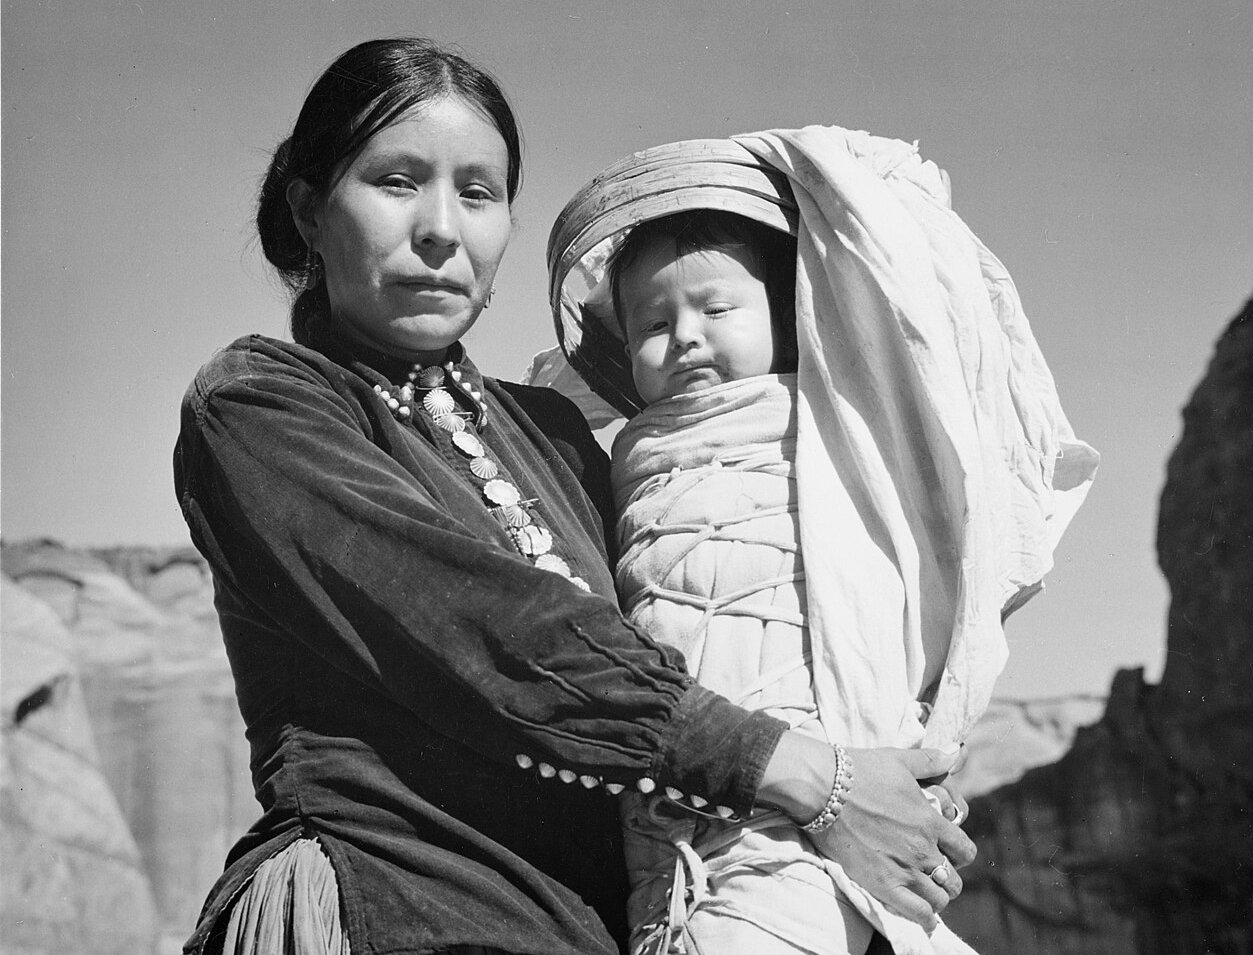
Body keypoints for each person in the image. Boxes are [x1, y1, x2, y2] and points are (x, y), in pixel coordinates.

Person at [174, 39, 975, 955]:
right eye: (397, 181)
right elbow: (495, 630)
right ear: (310, 210)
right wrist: (809, 777)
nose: (442, 227)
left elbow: (696, 622)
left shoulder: (552, 433)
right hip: (395, 906)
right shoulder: (263, 405)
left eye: (478, 193)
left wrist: (875, 748)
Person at [541, 131, 1098, 955]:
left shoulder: (833, 438)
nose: (685, 335)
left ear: (786, 315)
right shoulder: (625, 461)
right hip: (687, 807)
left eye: (717, 308)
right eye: (654, 322)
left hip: (812, 798)